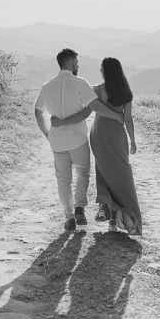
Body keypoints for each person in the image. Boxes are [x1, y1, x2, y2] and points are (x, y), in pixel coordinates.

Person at [34, 48, 125, 232]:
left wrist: (47, 134)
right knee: (83, 173)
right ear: (69, 62)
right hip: (77, 140)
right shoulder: (80, 83)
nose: (78, 65)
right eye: (76, 62)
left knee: (63, 180)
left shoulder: (47, 86)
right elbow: (94, 107)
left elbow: (38, 111)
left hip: (57, 142)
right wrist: (117, 116)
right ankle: (79, 208)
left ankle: (69, 217)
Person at [51, 57, 141, 235]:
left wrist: (61, 122)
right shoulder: (126, 92)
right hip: (117, 135)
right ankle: (114, 216)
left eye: (101, 68)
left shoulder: (97, 90)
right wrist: (132, 140)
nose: (100, 70)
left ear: (106, 71)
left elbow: (85, 113)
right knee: (120, 173)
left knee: (103, 170)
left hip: (99, 133)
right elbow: (128, 119)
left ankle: (105, 209)